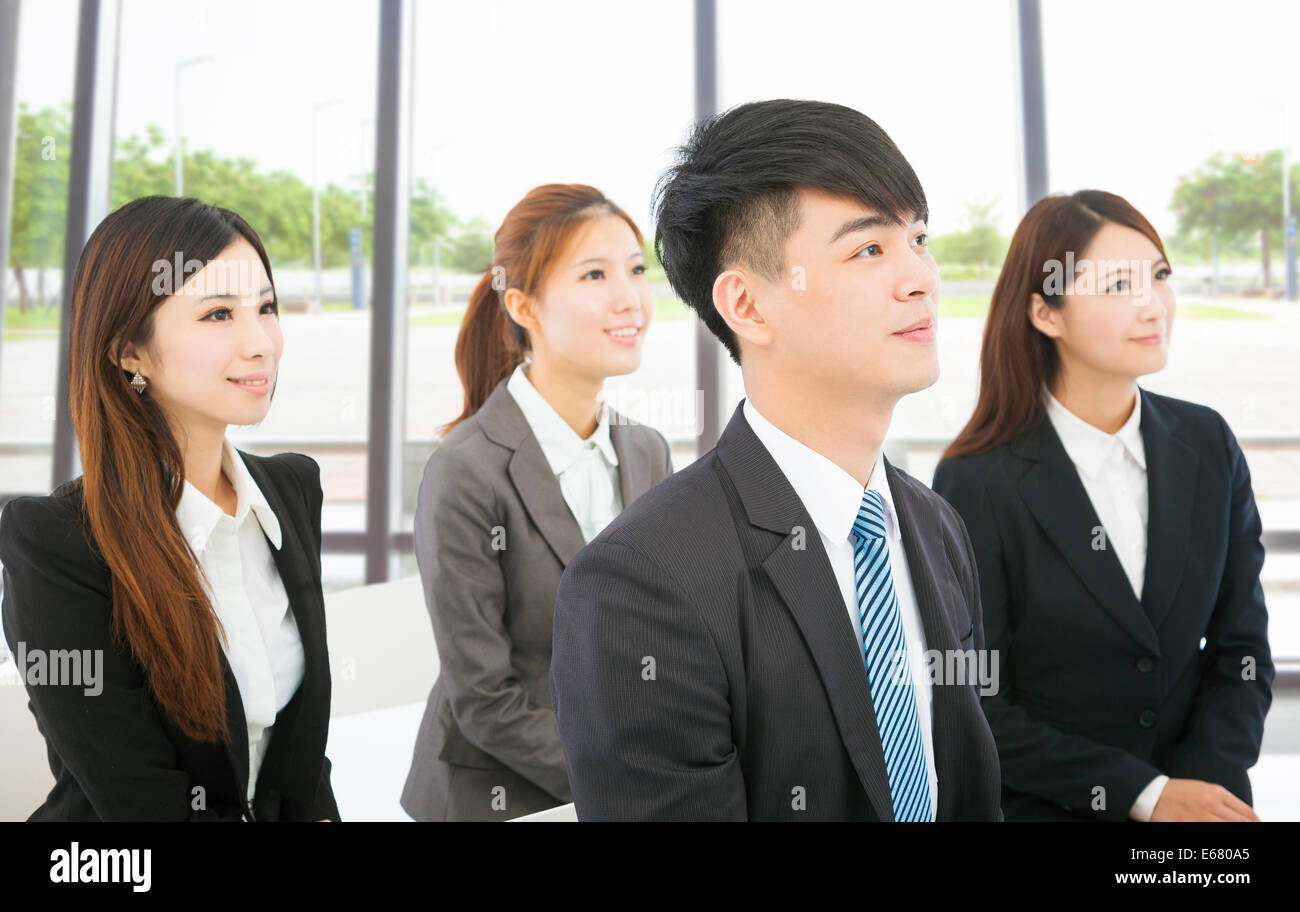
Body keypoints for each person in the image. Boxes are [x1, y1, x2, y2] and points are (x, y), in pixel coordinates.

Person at [549, 100, 1002, 821]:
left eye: (918, 238)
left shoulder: (934, 526)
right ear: (750, 307)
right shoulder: (639, 586)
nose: (921, 277)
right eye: (870, 250)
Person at [932, 190, 1273, 822]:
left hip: (1204, 809)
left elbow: (1242, 649)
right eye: (1118, 285)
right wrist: (1147, 797)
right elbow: (976, 701)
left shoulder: (1207, 443)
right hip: (1052, 807)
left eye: (1160, 277)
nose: (1153, 305)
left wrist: (1202, 788)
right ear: (1046, 313)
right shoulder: (978, 479)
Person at [0, 196, 338, 821]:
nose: (261, 342)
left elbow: (301, 767)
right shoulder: (58, 543)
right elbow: (141, 804)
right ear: (129, 350)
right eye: (217, 314)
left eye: (266, 308)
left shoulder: (291, 491)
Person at [400, 184, 674, 821]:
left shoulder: (647, 451)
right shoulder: (467, 470)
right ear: (523, 305)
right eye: (595, 274)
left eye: (637, 271)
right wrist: (624, 782)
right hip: (499, 796)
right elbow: (484, 697)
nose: (629, 298)